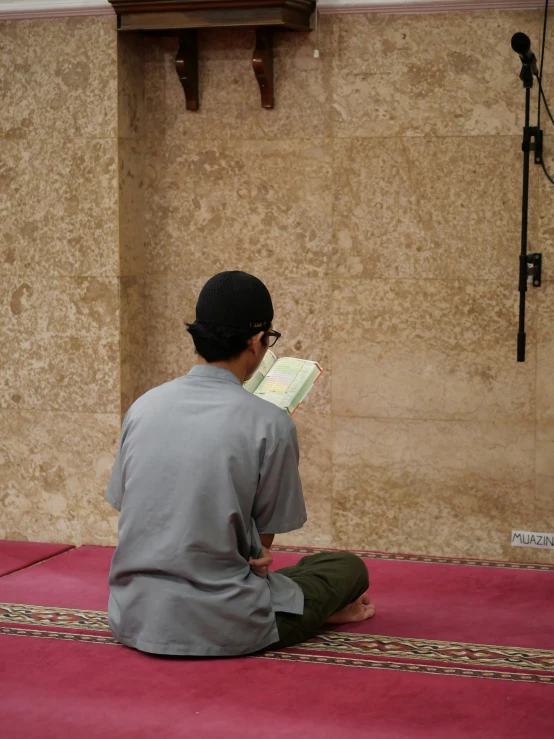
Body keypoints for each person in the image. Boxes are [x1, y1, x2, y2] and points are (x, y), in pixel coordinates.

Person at [105, 271, 375, 657]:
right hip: (225, 623)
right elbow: (259, 556)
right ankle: (323, 612)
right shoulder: (271, 423)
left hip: (133, 616)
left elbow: (125, 504)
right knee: (345, 569)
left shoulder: (143, 407)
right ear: (255, 341)